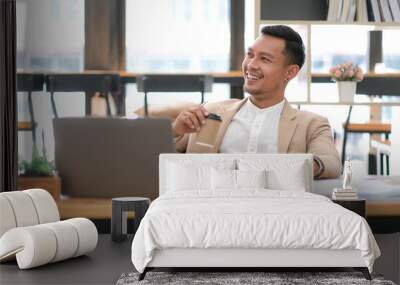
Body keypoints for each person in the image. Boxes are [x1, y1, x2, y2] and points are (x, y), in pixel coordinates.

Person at [172, 25, 341, 179]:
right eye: (250, 55)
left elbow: (331, 164)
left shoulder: (312, 124)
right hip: (209, 206)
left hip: (276, 208)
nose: (251, 65)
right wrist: (176, 129)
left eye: (265, 59)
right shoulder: (210, 112)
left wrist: (298, 168)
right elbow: (165, 156)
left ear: (290, 72)